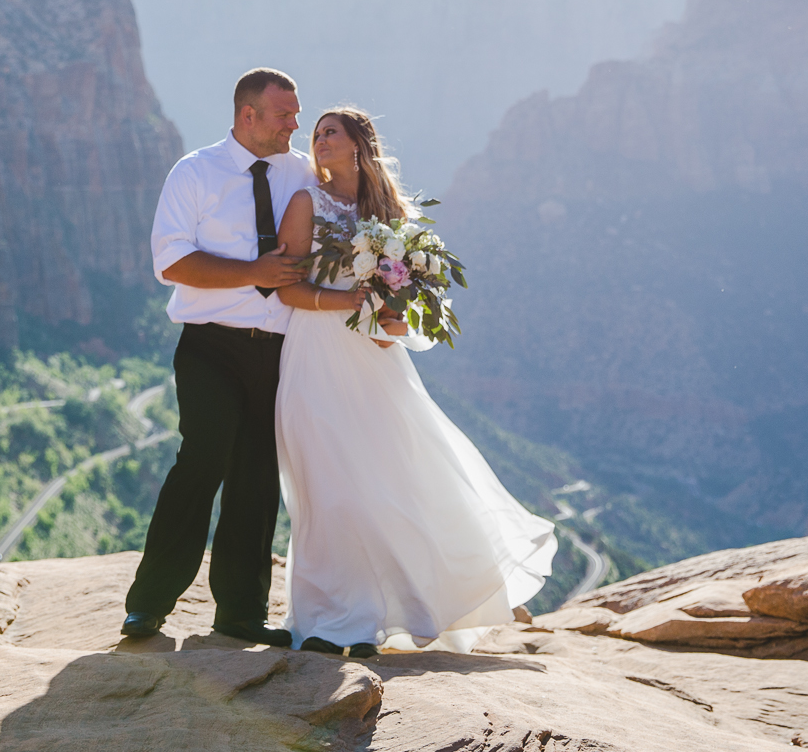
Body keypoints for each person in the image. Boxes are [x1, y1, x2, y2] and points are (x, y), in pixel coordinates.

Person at [270, 107, 557, 656]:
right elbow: (285, 287)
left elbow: (411, 299)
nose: (320, 139)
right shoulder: (307, 202)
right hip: (316, 354)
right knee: (326, 487)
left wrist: (391, 318)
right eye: (317, 133)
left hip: (375, 361)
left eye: (332, 131)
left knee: (389, 479)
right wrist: (343, 301)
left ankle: (393, 615)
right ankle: (330, 622)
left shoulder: (392, 214)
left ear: (359, 144)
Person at [122, 68, 316, 644]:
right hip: (210, 345)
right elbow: (171, 262)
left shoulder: (304, 172)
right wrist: (253, 273)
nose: (295, 124)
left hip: (281, 350)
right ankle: (149, 604)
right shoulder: (195, 173)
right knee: (203, 459)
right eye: (284, 114)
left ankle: (240, 616)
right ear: (247, 115)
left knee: (257, 477)